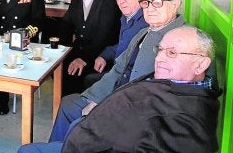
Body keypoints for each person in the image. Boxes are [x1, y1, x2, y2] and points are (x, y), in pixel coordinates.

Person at [19, 26, 220, 153]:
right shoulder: (177, 83)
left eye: (173, 53)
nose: (159, 58)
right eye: (160, 50)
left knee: (28, 150)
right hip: (93, 131)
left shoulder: (191, 120)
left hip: (97, 142)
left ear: (201, 64)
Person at [49, 0, 186, 142]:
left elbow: (161, 96)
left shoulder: (182, 41)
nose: (149, 9)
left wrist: (105, 104)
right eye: (146, 3)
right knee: (69, 102)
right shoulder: (146, 30)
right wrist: (97, 97)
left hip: (135, 111)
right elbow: (120, 66)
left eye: (157, 2)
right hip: (121, 92)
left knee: (77, 120)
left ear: (175, 4)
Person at [0, 0, 45, 115]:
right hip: (1, 40)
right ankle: (0, 90)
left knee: (10, 57)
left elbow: (38, 21)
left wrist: (23, 36)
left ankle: (4, 94)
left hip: (23, 42)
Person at [59, 0, 121, 95]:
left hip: (101, 54)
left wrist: (84, 59)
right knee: (57, 68)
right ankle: (66, 106)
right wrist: (59, 49)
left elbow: (104, 36)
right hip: (78, 50)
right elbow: (66, 25)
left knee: (76, 74)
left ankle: (81, 109)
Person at [84, 0, 149, 87]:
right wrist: (104, 56)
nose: (121, 1)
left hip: (128, 80)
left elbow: (133, 57)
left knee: (89, 80)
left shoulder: (146, 22)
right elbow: (123, 45)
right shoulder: (126, 17)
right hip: (118, 70)